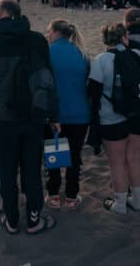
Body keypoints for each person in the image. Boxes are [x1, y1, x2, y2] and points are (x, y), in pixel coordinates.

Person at [0, 0, 58, 235]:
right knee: (32, 170)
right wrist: (52, 114)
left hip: (4, 120)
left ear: (4, 15)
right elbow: (48, 81)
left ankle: (11, 221)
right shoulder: (37, 40)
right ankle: (33, 220)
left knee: (7, 171)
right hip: (33, 118)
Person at [88, 23, 140, 214]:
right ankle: (137, 201)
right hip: (136, 117)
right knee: (134, 159)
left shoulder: (101, 60)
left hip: (112, 119)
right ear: (123, 38)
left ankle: (120, 204)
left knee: (117, 162)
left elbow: (93, 91)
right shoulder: (137, 55)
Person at [46, 20, 90, 210]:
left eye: (49, 32)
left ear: (55, 32)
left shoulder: (48, 52)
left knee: (54, 155)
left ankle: (54, 194)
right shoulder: (82, 53)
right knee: (74, 155)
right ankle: (72, 195)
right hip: (80, 113)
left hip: (57, 113)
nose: (48, 35)